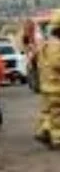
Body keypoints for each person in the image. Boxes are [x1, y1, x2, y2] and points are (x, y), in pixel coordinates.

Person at [34, 10, 60, 148]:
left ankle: (43, 131)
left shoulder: (46, 44)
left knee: (47, 112)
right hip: (56, 87)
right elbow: (57, 63)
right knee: (57, 116)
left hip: (46, 85)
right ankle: (57, 141)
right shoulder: (57, 45)